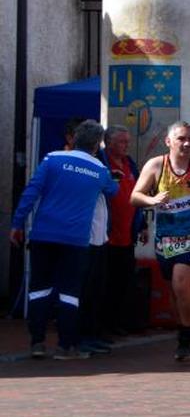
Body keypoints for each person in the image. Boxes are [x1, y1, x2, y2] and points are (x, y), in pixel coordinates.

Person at [10, 120, 118, 360]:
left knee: (39, 289)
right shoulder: (99, 170)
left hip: (44, 234)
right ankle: (65, 346)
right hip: (76, 239)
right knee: (70, 292)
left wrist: (17, 224)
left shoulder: (52, 159)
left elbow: (31, 191)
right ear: (97, 144)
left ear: (74, 138)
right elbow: (112, 190)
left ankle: (37, 343)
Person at [130, 121, 190, 361]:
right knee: (174, 293)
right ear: (169, 142)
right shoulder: (156, 166)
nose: (187, 144)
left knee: (180, 282)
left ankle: (186, 336)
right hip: (165, 238)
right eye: (181, 139)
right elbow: (134, 197)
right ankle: (185, 330)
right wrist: (153, 200)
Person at [98, 125, 143, 341]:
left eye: (127, 141)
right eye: (121, 142)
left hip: (127, 235)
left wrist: (141, 224)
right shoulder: (101, 162)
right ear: (109, 143)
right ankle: (103, 325)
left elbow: (138, 193)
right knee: (104, 282)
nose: (126, 145)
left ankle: (116, 323)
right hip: (106, 235)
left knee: (122, 282)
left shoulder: (129, 164)